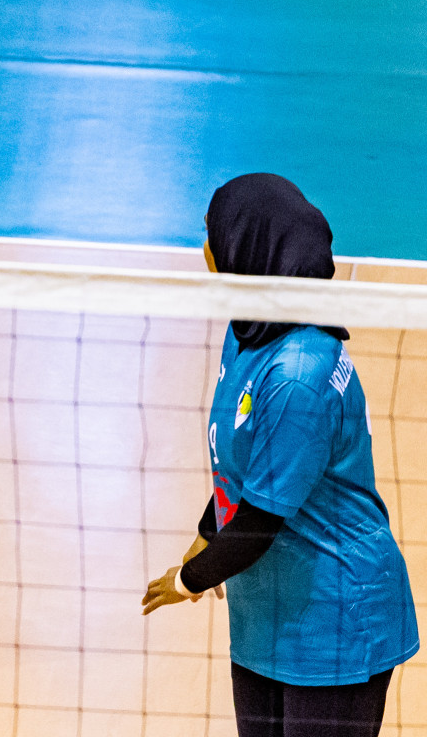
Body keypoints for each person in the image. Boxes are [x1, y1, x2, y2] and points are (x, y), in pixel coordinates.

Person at [142, 173, 418, 737]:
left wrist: (189, 578)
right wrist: (208, 527)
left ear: (246, 248)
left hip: (334, 625)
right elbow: (245, 463)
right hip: (266, 616)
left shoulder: (298, 373)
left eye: (210, 235)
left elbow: (262, 519)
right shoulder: (249, 334)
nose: (203, 250)